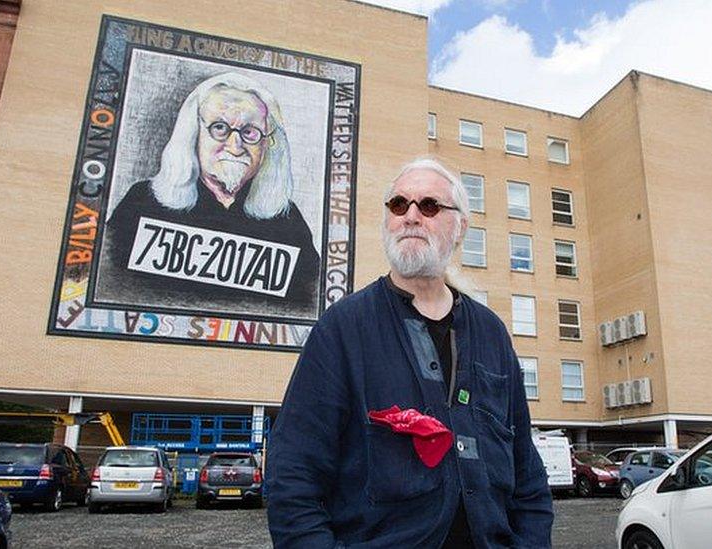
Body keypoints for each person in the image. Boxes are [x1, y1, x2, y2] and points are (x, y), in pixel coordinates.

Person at [266, 158, 553, 548]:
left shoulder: (491, 333)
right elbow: (293, 475)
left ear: (460, 227)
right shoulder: (342, 329)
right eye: (399, 205)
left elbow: (528, 475)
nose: (411, 216)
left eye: (429, 205)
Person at [99, 72, 321, 318]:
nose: (235, 146)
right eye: (219, 128)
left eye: (250, 132)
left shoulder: (288, 222)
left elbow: (307, 306)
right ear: (193, 133)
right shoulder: (143, 202)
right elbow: (107, 283)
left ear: (267, 144)